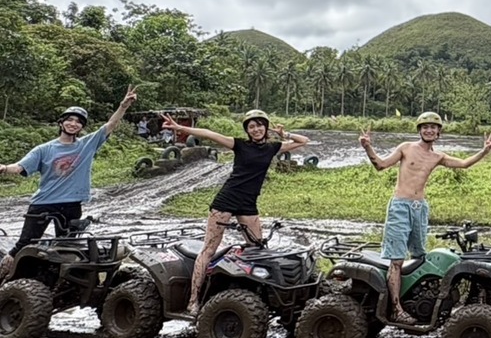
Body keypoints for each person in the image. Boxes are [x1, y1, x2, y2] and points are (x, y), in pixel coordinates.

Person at [162, 109, 311, 317]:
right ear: (247, 130)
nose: (256, 129)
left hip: (248, 203)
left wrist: (282, 133)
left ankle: (253, 295)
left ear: (265, 127)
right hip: (227, 200)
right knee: (209, 250)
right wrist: (179, 128)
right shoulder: (239, 144)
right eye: (252, 126)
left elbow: (304, 141)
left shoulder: (272, 147)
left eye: (260, 125)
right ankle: (193, 300)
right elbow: (209, 134)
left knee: (257, 248)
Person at [358, 112, 491, 324]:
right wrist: (367, 147)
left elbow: (464, 163)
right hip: (400, 206)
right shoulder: (406, 148)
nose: (429, 130)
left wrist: (484, 151)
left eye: (433, 127)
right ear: (419, 130)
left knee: (419, 256)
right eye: (425, 127)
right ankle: (396, 309)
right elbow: (381, 165)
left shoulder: (437, 157)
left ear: (438, 132)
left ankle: (416, 300)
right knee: (397, 259)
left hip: (419, 208)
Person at [0, 86, 139, 281]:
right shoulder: (44, 149)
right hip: (43, 203)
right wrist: (4, 167)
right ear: (61, 122)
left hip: (72, 204)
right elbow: (20, 167)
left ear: (82, 127)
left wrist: (123, 106)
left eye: (78, 122)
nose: (73, 124)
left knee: (66, 248)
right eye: (70, 120)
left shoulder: (87, 144)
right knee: (25, 243)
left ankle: (55, 282)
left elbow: (111, 125)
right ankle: (5, 274)